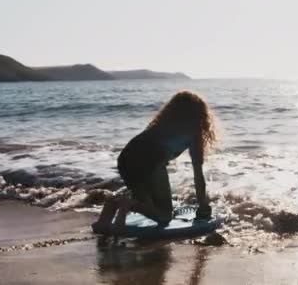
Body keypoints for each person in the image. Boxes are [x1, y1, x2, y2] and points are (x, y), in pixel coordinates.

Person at [92, 90, 217, 235]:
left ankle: (108, 212)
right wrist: (203, 206)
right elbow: (198, 174)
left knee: (148, 204)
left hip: (126, 159)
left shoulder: (160, 125)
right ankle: (127, 203)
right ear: (200, 114)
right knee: (164, 216)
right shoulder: (194, 132)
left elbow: (139, 148)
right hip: (151, 160)